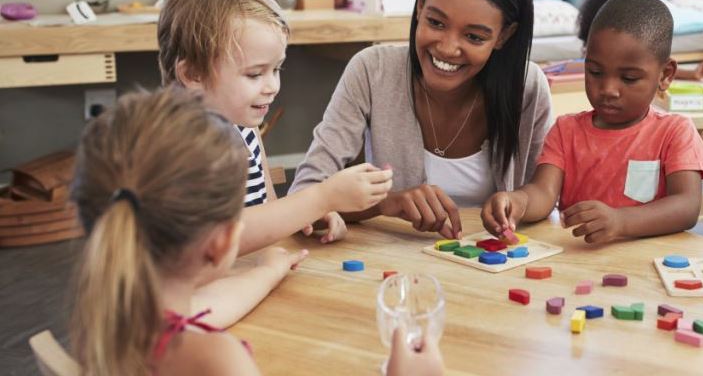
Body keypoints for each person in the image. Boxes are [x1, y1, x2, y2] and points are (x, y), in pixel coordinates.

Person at [69, 88, 443, 375]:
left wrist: (267, 271)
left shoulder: (107, 318)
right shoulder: (217, 360)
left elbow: (206, 306)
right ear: (222, 244)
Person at [157, 0, 394, 327]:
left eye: (276, 69)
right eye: (255, 73)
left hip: (237, 281)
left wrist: (306, 215)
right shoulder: (184, 142)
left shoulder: (244, 128)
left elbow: (266, 213)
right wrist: (320, 197)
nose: (272, 86)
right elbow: (220, 237)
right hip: (187, 302)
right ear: (192, 72)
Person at [290, 0, 550, 239]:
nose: (447, 48)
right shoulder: (372, 71)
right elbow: (302, 198)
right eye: (436, 23)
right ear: (420, 4)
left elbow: (544, 193)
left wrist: (519, 202)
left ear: (504, 35)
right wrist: (385, 203)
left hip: (494, 270)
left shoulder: (526, 88)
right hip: (392, 269)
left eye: (474, 37)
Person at [481, 0, 703, 243]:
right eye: (595, 72)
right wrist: (518, 201)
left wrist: (621, 221)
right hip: (581, 262)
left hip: (649, 262)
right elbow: (543, 192)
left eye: (629, 78)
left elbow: (687, 206)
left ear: (665, 75)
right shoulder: (566, 130)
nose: (608, 89)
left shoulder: (674, 132)